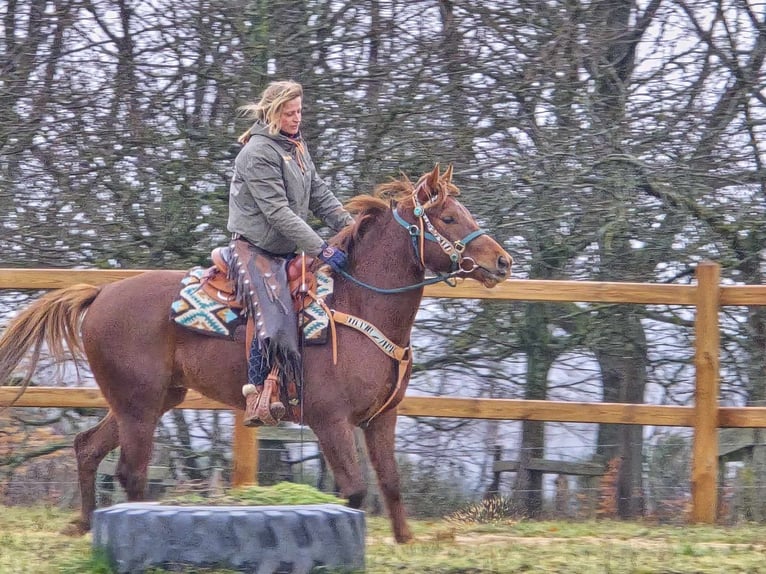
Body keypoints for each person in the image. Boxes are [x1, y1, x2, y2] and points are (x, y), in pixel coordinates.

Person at [227, 80, 353, 427]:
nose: (297, 118)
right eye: (289, 112)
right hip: (254, 248)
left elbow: (319, 194)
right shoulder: (257, 153)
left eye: (299, 111)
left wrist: (353, 228)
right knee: (275, 311)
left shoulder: (296, 147)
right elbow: (278, 213)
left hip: (285, 252)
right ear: (272, 113)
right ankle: (258, 392)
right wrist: (322, 248)